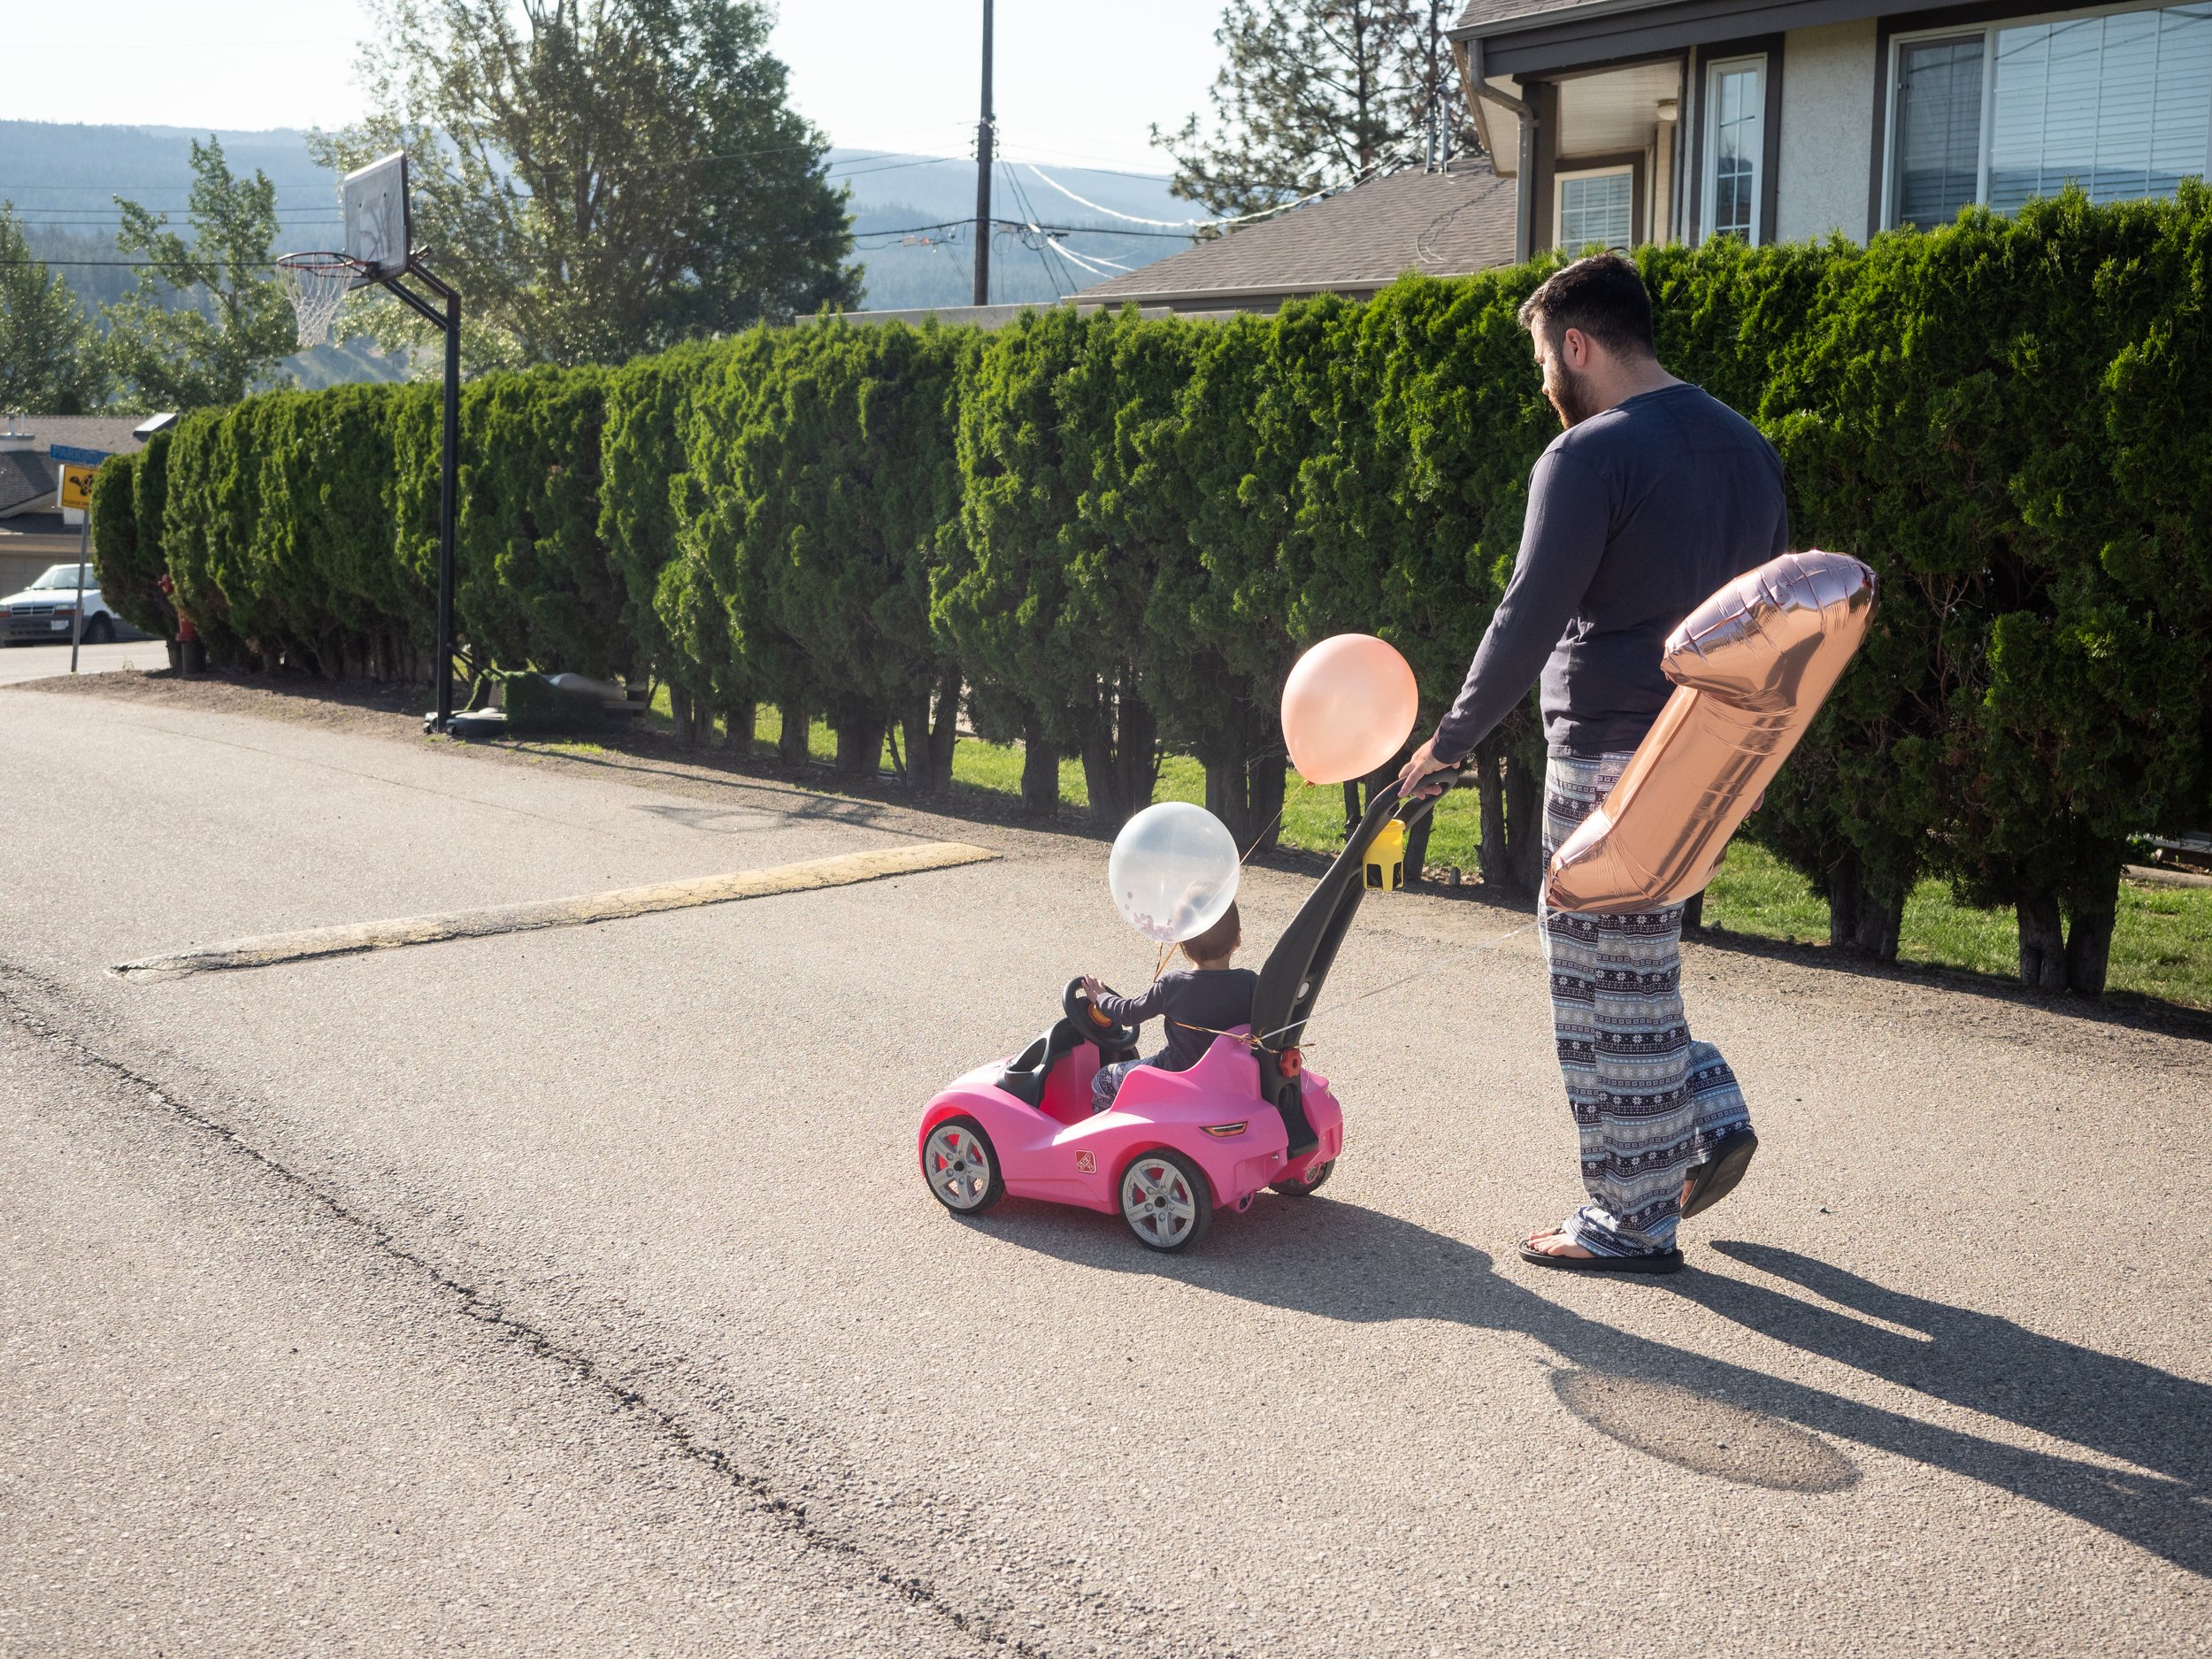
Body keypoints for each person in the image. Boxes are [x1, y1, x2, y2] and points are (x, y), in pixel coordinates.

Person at [1396, 253, 1780, 1274]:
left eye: (1540, 361)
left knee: (1599, 990)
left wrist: (1449, 741)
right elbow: (1767, 618)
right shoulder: (1747, 447)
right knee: (1635, 959)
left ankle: (1628, 1217)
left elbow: (1528, 613)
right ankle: (1704, 1113)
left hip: (1612, 753)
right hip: (1706, 753)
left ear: (1576, 344)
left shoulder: (1586, 454)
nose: (1542, 384)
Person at [1081, 902, 1257, 1115]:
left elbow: (1128, 1014)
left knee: (1103, 1079)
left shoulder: (1173, 984)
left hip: (1175, 1076)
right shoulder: (1251, 984)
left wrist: (1101, 997)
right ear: (1238, 939)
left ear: (1181, 944)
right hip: (1227, 1081)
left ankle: (1111, 1130)